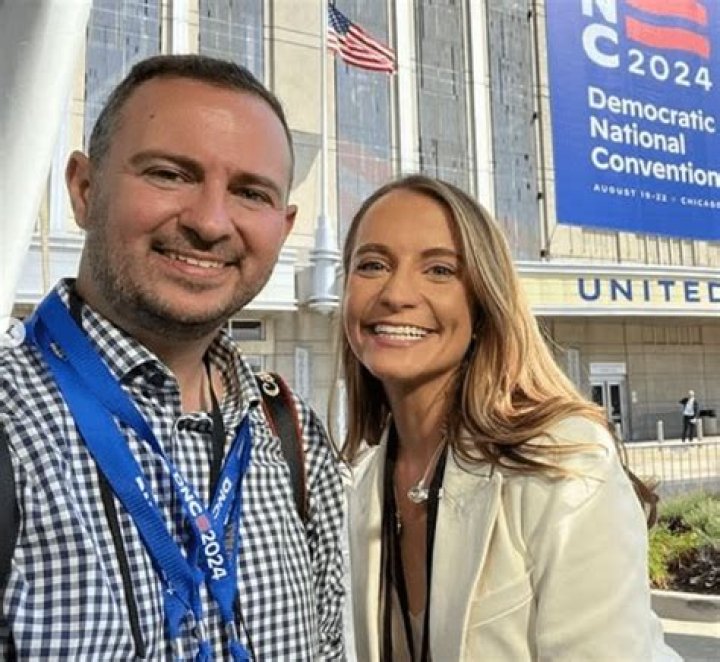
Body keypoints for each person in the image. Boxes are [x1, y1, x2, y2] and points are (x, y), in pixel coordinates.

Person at [0, 55, 345, 660]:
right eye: (169, 174)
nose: (210, 222)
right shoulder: (13, 422)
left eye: (250, 192)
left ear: (284, 226)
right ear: (84, 189)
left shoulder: (294, 436)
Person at [337, 174, 679, 661]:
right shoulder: (359, 484)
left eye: (439, 270)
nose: (396, 293)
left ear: (483, 304)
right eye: (372, 264)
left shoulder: (564, 462)